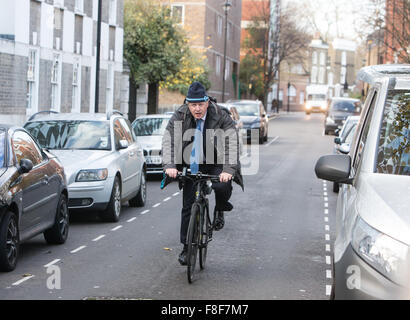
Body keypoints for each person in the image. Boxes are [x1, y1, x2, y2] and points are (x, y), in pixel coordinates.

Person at [162, 81, 244, 265]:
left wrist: (228, 170)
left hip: (216, 160)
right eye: (193, 105)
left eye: (200, 104)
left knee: (221, 186)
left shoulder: (220, 114)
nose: (197, 109)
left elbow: (232, 143)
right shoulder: (180, 115)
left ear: (207, 102)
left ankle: (220, 208)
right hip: (192, 161)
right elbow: (169, 141)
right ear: (187, 104)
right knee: (188, 205)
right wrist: (170, 165)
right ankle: (186, 247)